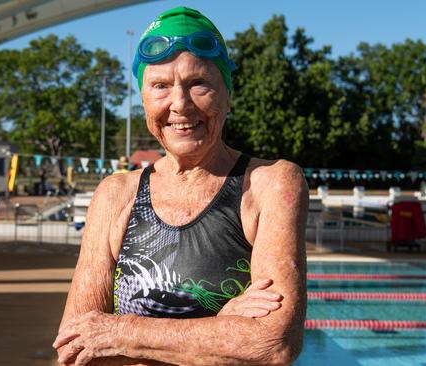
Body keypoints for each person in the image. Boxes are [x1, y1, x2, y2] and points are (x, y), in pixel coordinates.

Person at [54, 7, 308, 366]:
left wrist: (118, 332)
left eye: (199, 84)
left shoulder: (269, 183)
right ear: (143, 99)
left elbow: (273, 343)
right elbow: (74, 349)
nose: (180, 105)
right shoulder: (115, 194)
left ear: (227, 95)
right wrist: (222, 328)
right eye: (160, 86)